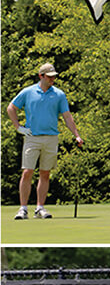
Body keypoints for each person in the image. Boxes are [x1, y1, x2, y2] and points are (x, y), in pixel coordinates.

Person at [7, 62, 84, 220]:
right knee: (27, 171)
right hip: (32, 137)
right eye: (49, 77)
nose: (52, 79)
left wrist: (76, 134)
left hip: (51, 138)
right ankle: (23, 209)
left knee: (45, 173)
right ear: (41, 76)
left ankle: (39, 208)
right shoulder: (28, 92)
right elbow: (11, 108)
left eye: (54, 77)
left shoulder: (59, 94)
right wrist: (18, 127)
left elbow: (67, 116)